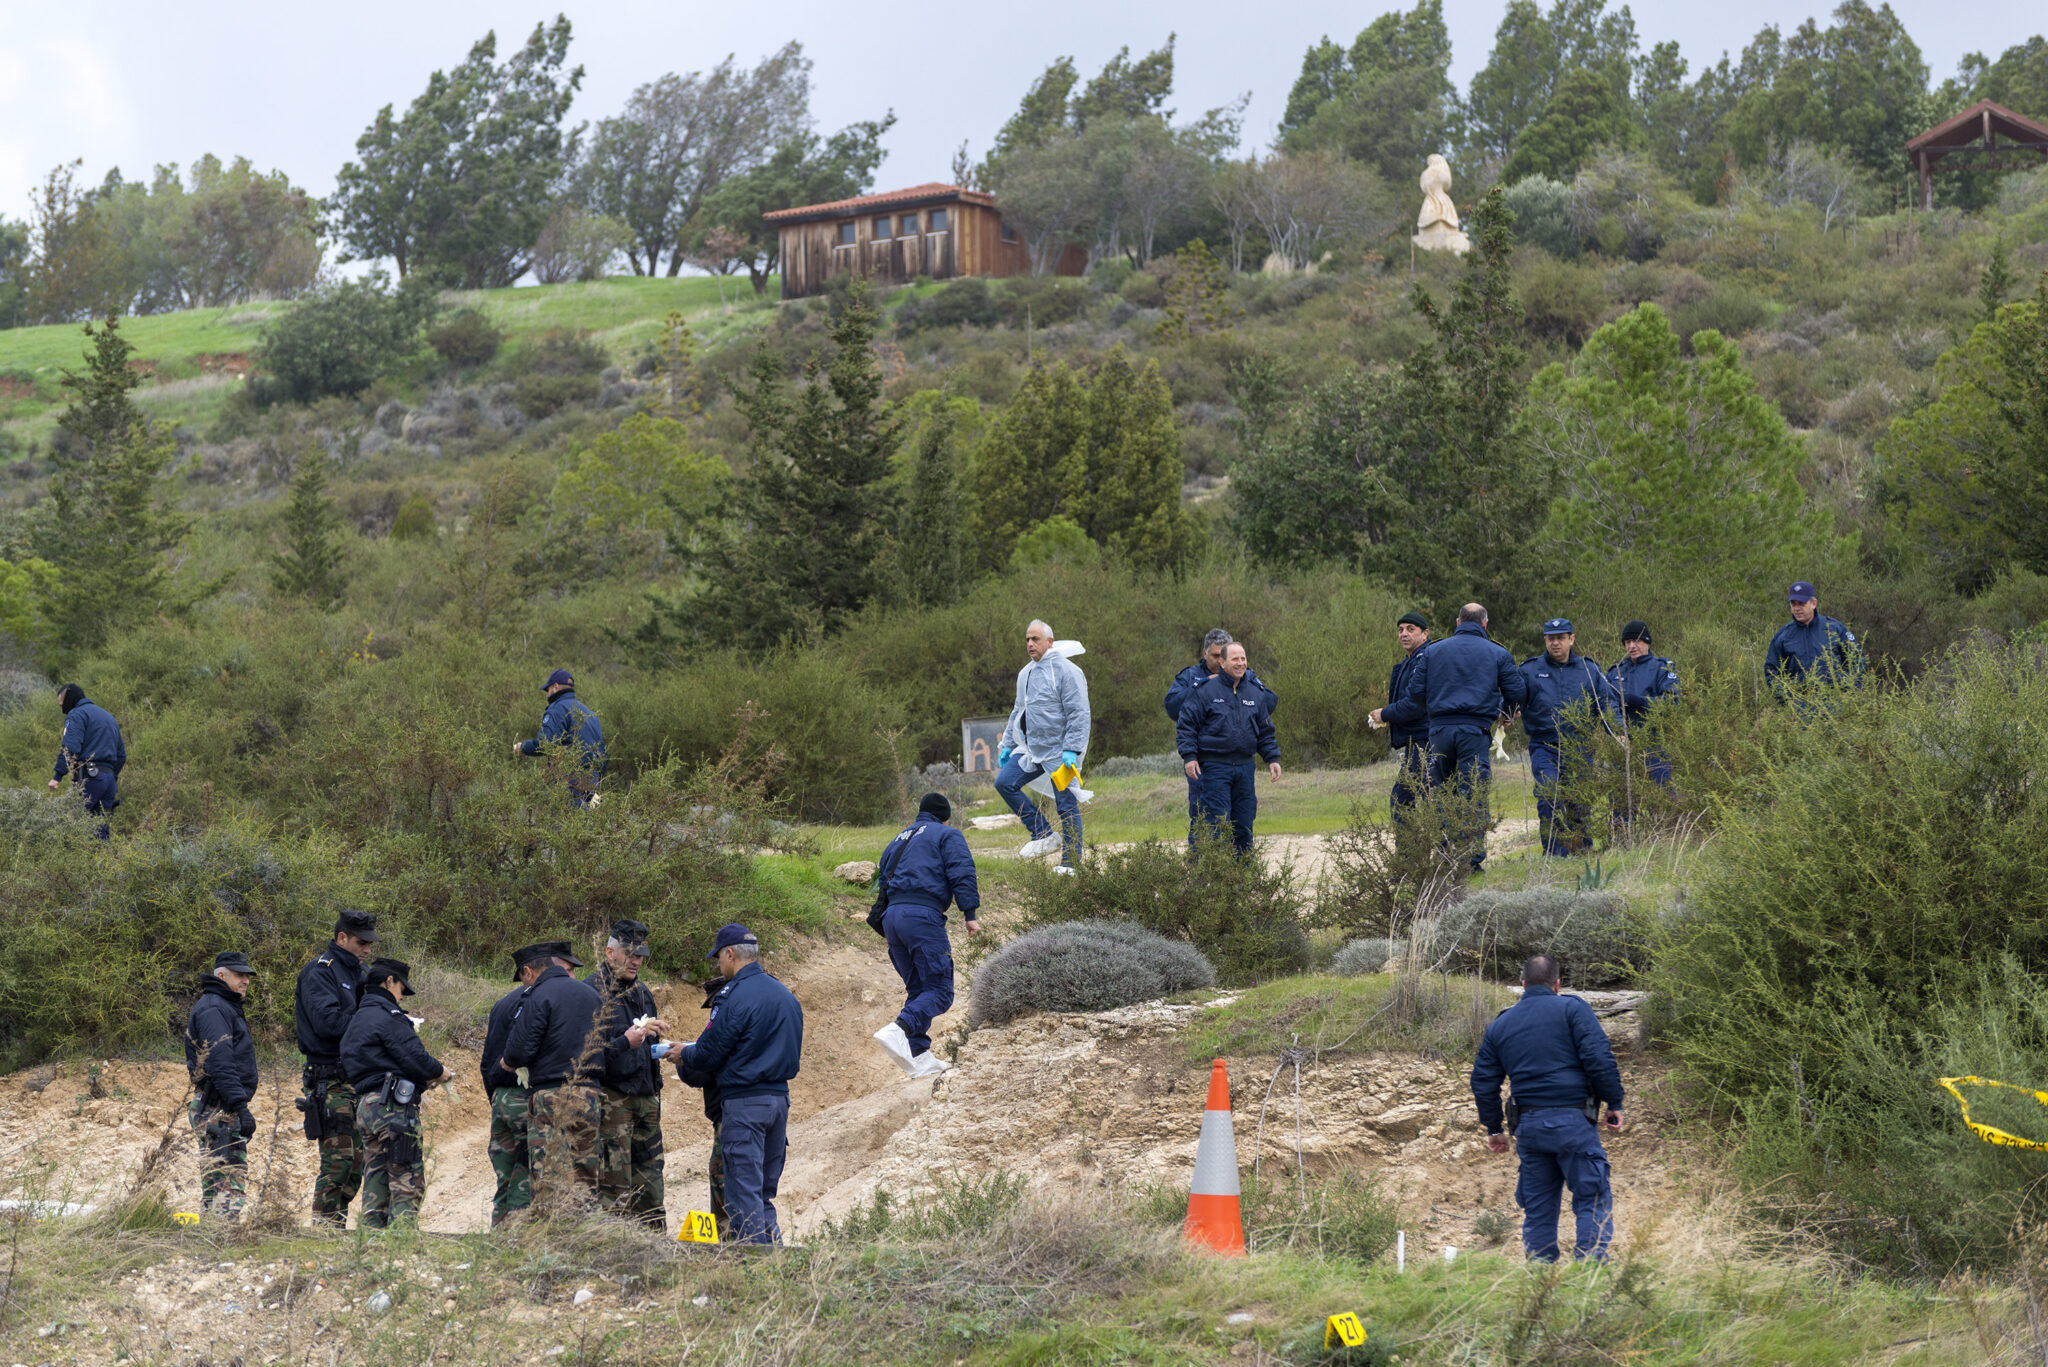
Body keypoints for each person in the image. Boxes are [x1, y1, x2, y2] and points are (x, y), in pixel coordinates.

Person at [1469, 954, 1626, 1262]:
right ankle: (1589, 1276)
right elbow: (1599, 1059)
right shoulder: (1573, 1009)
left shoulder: (1501, 1023)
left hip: (1529, 1128)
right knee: (1591, 1198)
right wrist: (1614, 1102)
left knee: (1539, 1208)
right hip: (1574, 1123)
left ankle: (1540, 1285)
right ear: (1557, 984)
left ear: (1523, 985)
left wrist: (1494, 1128)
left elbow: (1483, 1082)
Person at [1371, 603, 1529, 870]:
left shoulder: (1433, 651)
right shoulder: (1497, 652)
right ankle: (1470, 860)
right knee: (1472, 793)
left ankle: (1446, 857)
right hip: (1474, 731)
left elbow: (1416, 693)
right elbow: (1517, 691)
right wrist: (1507, 713)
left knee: (1443, 793)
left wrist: (1438, 708)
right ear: (1485, 624)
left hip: (1439, 732)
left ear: (1458, 622)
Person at [678, 924, 803, 1245]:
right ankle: (776, 1264)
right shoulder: (785, 995)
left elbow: (708, 1054)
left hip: (745, 1106)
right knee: (762, 1195)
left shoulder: (734, 997)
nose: (719, 965)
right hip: (779, 1101)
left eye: (719, 957)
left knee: (743, 1196)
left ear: (731, 954)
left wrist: (680, 1054)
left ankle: (755, 1274)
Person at [870, 792, 980, 1078]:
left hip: (892, 919)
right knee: (941, 991)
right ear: (945, 816)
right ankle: (899, 1030)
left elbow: (882, 882)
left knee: (919, 989)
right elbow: (962, 872)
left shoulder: (898, 838)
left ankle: (919, 1056)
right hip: (921, 916)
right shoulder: (947, 834)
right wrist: (970, 915)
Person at [338, 958, 450, 1229]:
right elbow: (416, 1058)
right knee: (406, 1177)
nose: (401, 996)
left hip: (365, 1106)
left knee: (375, 1176)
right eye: (401, 988)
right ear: (389, 982)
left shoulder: (356, 1020)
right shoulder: (389, 1016)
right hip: (393, 1108)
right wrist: (441, 1071)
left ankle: (371, 1243)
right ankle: (400, 1245)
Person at [502, 938, 603, 1214]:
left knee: (547, 1177)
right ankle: (587, 1237)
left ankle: (550, 1241)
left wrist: (508, 1062)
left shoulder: (538, 995)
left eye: (523, 980)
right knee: (586, 1174)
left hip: (550, 1096)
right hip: (589, 1094)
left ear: (528, 972)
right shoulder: (591, 994)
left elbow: (519, 1050)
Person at [295, 908, 379, 1227]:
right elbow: (328, 1022)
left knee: (356, 1164)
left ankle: (334, 1228)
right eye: (361, 942)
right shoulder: (321, 972)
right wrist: (372, 1026)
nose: (367, 949)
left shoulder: (362, 974)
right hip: (329, 1080)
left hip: (356, 1080)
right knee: (338, 1163)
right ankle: (324, 1234)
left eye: (369, 943)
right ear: (342, 938)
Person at [1514, 619, 1625, 859]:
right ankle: (1555, 854)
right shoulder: (1529, 670)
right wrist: (1506, 711)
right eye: (1550, 638)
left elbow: (1606, 703)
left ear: (1571, 639)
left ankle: (1581, 850)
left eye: (1560, 638)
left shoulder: (1589, 670)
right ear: (1545, 640)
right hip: (1544, 745)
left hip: (1580, 747)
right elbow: (1512, 697)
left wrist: (1618, 730)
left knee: (1579, 801)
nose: (1555, 642)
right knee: (1548, 794)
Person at [480, 940, 572, 1227]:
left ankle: (499, 1238)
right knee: (527, 1179)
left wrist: (495, 1099)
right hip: (527, 1098)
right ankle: (517, 1245)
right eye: (564, 969)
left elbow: (487, 1061)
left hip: (501, 1098)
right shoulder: (538, 1001)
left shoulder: (502, 1004)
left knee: (505, 1179)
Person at [586, 920, 672, 1226]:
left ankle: (654, 1247)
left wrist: (662, 1046)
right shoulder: (590, 992)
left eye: (640, 955)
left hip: (646, 1098)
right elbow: (587, 1054)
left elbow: (645, 1046)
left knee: (651, 1181)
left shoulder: (643, 991)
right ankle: (616, 1252)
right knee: (614, 1183)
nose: (636, 961)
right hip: (613, 1100)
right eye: (629, 954)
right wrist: (624, 1042)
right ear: (610, 952)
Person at [1165, 631, 1279, 845]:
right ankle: (1202, 872)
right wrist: (1202, 688)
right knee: (1206, 821)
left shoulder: (1247, 678)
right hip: (1207, 763)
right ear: (1205, 653)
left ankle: (1239, 874)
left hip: (1243, 763)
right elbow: (1173, 709)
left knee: (1242, 824)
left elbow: (1268, 705)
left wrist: (1245, 688)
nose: (1219, 662)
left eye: (1241, 659)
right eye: (1217, 656)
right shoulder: (1192, 677)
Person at [995, 620, 1090, 875]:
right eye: (1027, 639)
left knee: (1066, 804)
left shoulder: (1067, 671)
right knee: (1005, 783)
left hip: (1061, 752)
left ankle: (1071, 864)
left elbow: (1079, 713)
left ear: (1050, 641)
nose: (1029, 644)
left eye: (1035, 639)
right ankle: (1043, 833)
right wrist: (1008, 744)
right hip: (1032, 750)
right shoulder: (1025, 673)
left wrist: (1072, 748)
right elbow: (1019, 711)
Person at [185, 950, 258, 1221]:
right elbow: (220, 1061)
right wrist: (239, 1106)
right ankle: (221, 1240)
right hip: (219, 1106)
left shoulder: (221, 1006)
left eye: (247, 975)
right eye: (239, 975)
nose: (246, 980)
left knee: (217, 1180)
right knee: (228, 1180)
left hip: (219, 1102)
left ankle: (211, 1239)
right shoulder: (215, 1008)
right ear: (221, 975)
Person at [675, 966, 732, 1235]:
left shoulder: (725, 1021)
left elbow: (702, 1071)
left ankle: (729, 1246)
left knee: (723, 1182)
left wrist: (683, 1058)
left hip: (729, 1115)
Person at [514, 668, 608, 805]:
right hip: (592, 782)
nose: (547, 695)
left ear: (556, 687)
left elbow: (545, 744)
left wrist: (523, 747)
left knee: (562, 823)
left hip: (571, 781)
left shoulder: (557, 709)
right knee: (586, 823)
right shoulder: (589, 713)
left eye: (548, 689)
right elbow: (603, 752)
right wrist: (593, 786)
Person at [1607, 621, 1680, 787]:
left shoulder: (1662, 668)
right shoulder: (1615, 672)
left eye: (1637, 641)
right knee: (1621, 802)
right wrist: (1617, 730)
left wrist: (1639, 702)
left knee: (1660, 799)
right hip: (1622, 744)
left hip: (1654, 744)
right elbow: (1606, 704)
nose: (1632, 646)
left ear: (1647, 641)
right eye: (1627, 642)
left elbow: (1671, 703)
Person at [47, 683, 125, 840]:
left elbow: (70, 748)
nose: (63, 709)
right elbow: (121, 755)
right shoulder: (109, 717)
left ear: (69, 699)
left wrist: (57, 776)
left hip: (89, 777)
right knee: (100, 834)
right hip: (109, 781)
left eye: (62, 704)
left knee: (69, 826)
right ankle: (103, 863)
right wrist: (110, 777)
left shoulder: (77, 714)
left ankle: (65, 864)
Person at [1765, 582, 1864, 700]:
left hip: (1837, 706)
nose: (1797, 608)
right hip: (1799, 710)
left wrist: (1848, 691)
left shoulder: (1834, 628)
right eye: (1793, 604)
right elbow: (1771, 672)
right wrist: (1787, 699)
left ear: (1814, 603)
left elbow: (1857, 660)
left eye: (1801, 603)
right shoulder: (1783, 636)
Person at [1384, 612, 1434, 816]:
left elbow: (1414, 704)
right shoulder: (1410, 660)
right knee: (1419, 797)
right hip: (1416, 740)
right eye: (1401, 629)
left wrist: (1385, 714)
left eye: (1411, 629)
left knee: (1402, 800)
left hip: (1426, 740)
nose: (1404, 634)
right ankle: (1419, 847)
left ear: (1425, 634)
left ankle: (1411, 848)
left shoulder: (1424, 659)